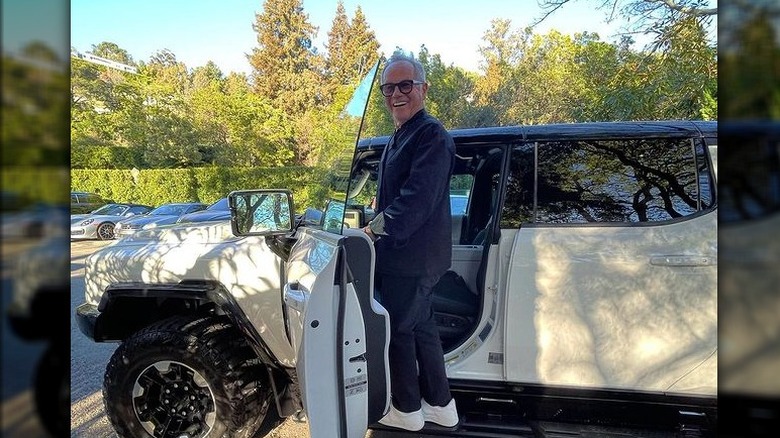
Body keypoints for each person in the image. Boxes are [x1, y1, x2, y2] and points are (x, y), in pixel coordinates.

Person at [362, 51, 459, 431]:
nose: (396, 94)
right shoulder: (401, 135)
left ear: (423, 88)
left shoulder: (431, 134)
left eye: (405, 85)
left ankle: (406, 411)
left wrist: (373, 229)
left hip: (412, 258)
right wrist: (374, 209)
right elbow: (396, 192)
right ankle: (440, 404)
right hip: (411, 256)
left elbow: (417, 198)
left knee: (398, 331)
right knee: (422, 329)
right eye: (389, 87)